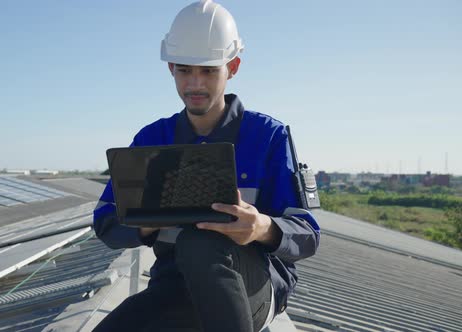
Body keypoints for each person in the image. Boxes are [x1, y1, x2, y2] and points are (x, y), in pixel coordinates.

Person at [93, 1, 320, 331]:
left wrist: (262, 228)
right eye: (185, 70)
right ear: (171, 67)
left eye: (209, 71)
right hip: (174, 287)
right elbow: (104, 222)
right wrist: (146, 221)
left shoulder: (268, 136)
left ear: (234, 66)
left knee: (201, 242)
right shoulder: (152, 139)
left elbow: (308, 234)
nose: (195, 84)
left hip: (253, 286)